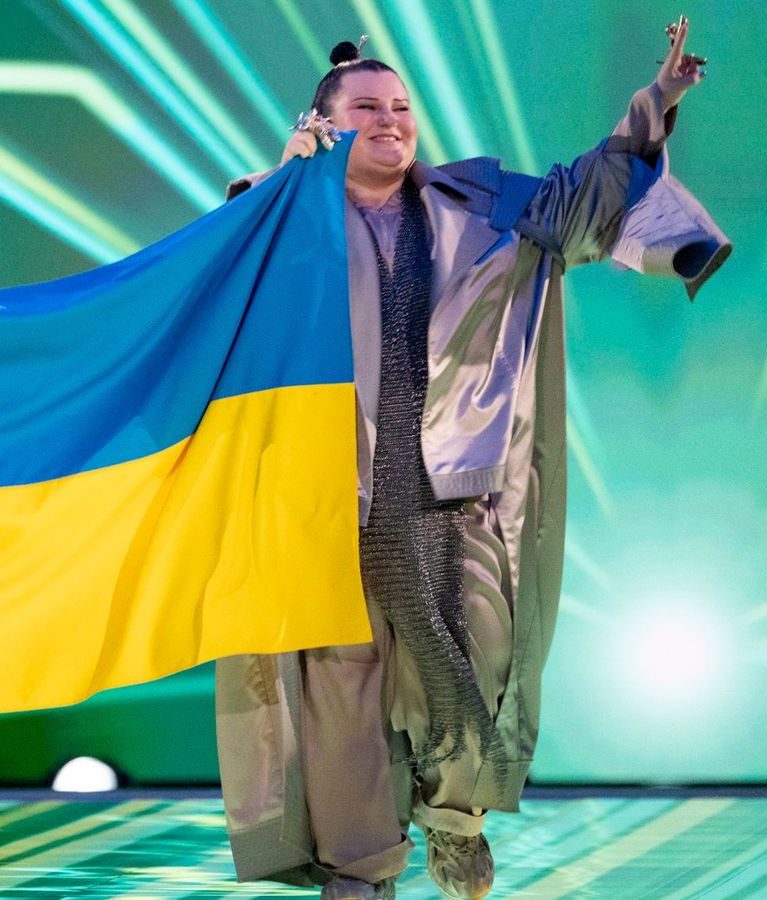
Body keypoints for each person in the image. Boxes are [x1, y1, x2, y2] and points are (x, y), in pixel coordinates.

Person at [214, 18, 727, 900]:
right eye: (367, 107)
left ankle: (455, 822)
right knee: (342, 705)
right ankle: (360, 867)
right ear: (324, 122)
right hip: (328, 510)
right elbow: (217, 285)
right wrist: (290, 187)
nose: (391, 120)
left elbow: (582, 199)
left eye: (401, 106)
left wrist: (655, 104)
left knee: (465, 681)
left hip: (456, 504)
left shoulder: (480, 208)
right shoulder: (278, 219)